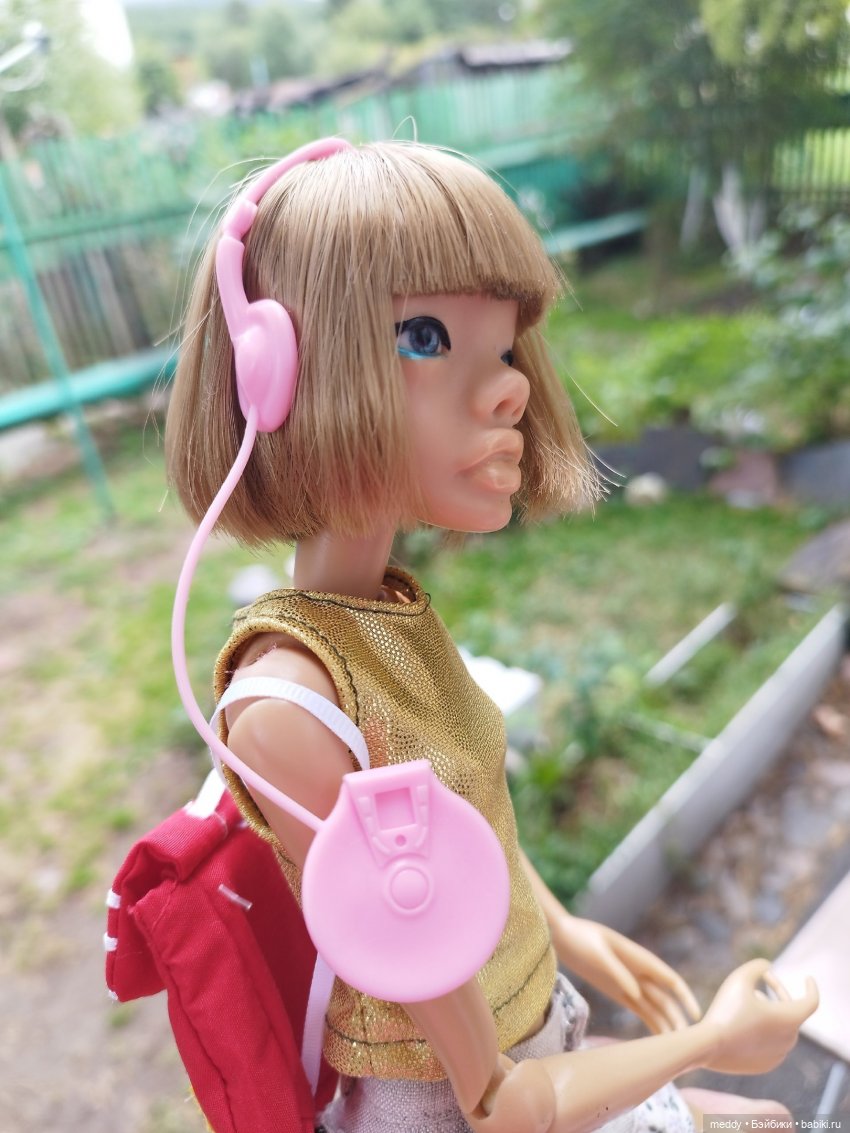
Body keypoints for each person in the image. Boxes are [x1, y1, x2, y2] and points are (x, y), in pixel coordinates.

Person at [165, 139, 817, 1133]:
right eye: (424, 336)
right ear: (278, 374)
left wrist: (566, 929)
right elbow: (502, 1103)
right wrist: (710, 1041)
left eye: (506, 350)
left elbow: (466, 826)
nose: (511, 388)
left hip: (540, 1023)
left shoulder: (384, 614)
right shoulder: (289, 711)